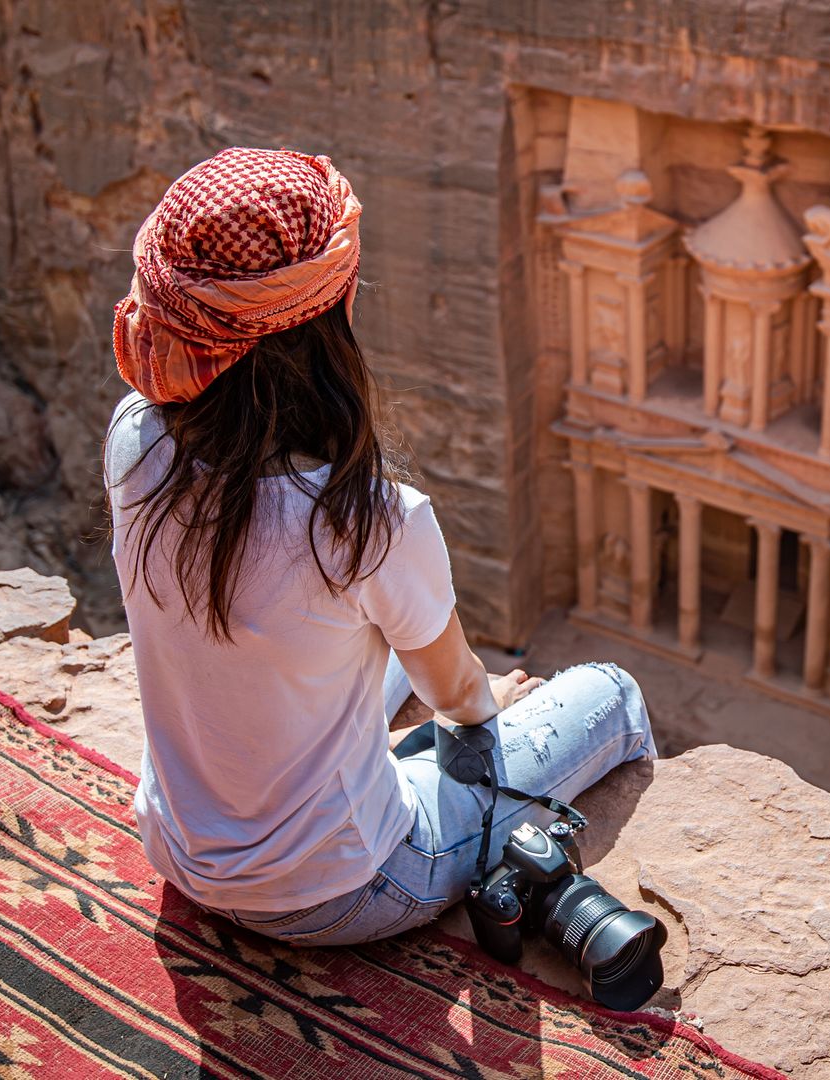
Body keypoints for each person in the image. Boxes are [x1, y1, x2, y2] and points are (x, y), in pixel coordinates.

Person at [102, 147, 655, 946]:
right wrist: (478, 706)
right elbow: (459, 693)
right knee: (613, 696)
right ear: (333, 315)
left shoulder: (134, 440)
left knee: (355, 642)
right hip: (344, 887)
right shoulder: (366, 521)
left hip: (179, 851)